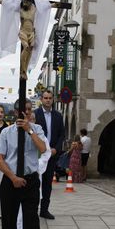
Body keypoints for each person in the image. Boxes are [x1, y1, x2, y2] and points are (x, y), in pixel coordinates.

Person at [0, 99, 47, 229]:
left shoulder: (37, 129)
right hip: (11, 181)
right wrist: (13, 178)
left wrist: (29, 130)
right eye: (25, 110)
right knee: (9, 221)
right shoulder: (6, 132)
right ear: (17, 112)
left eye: (30, 110)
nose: (28, 113)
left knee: (31, 221)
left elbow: (43, 149)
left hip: (30, 180)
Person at [16, 112, 51, 229]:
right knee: (17, 206)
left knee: (30, 207)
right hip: (18, 175)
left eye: (31, 117)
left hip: (34, 175)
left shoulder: (39, 133)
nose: (29, 118)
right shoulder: (16, 131)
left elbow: (45, 153)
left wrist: (36, 167)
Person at [34, 90, 64, 220]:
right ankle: (33, 209)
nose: (47, 100)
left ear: (53, 99)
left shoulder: (58, 116)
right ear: (41, 99)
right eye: (45, 98)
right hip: (37, 155)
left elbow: (61, 135)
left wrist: (55, 150)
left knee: (47, 183)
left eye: (50, 98)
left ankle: (44, 210)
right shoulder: (35, 114)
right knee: (35, 183)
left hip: (51, 155)